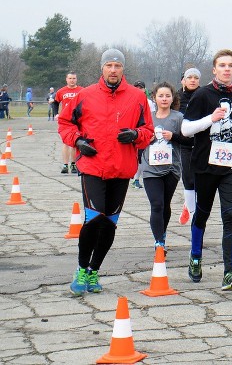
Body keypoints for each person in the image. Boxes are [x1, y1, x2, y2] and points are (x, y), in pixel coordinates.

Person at [57, 49, 154, 295]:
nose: (113, 70)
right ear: (102, 68)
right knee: (95, 219)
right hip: (93, 166)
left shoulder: (137, 97)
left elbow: (148, 131)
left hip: (122, 168)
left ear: (123, 69)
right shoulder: (84, 95)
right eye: (109, 65)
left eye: (117, 66)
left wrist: (136, 135)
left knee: (110, 223)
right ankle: (81, 269)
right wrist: (78, 142)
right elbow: (65, 122)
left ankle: (94, 271)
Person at [181, 50, 232, 291]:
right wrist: (210, 119)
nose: (226, 69)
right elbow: (186, 129)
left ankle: (229, 272)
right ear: (214, 69)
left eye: (230, 65)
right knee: (202, 214)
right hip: (205, 166)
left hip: (231, 166)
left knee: (230, 216)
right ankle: (195, 257)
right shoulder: (202, 95)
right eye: (222, 65)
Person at [140, 81, 189, 251]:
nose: (164, 99)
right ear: (154, 98)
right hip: (150, 168)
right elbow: (138, 140)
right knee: (157, 204)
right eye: (160, 96)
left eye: (168, 95)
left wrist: (173, 136)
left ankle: (162, 233)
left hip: (171, 168)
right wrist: (148, 138)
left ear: (172, 98)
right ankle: (159, 242)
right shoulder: (147, 117)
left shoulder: (178, 117)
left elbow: (189, 140)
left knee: (165, 204)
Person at [177, 68, 201, 225]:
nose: (192, 80)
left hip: (202, 143)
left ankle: (189, 203)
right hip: (183, 143)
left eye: (196, 78)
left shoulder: (204, 95)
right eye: (189, 77)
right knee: (188, 179)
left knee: (200, 181)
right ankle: (193, 217)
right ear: (183, 80)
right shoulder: (176, 98)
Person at [56, 72, 81, 173]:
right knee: (66, 142)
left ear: (76, 79)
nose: (72, 80)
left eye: (74, 78)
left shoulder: (81, 91)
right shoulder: (61, 91)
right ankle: (65, 165)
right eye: (70, 78)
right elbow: (55, 102)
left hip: (77, 120)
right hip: (65, 120)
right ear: (66, 79)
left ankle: (74, 164)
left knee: (75, 142)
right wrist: (56, 113)